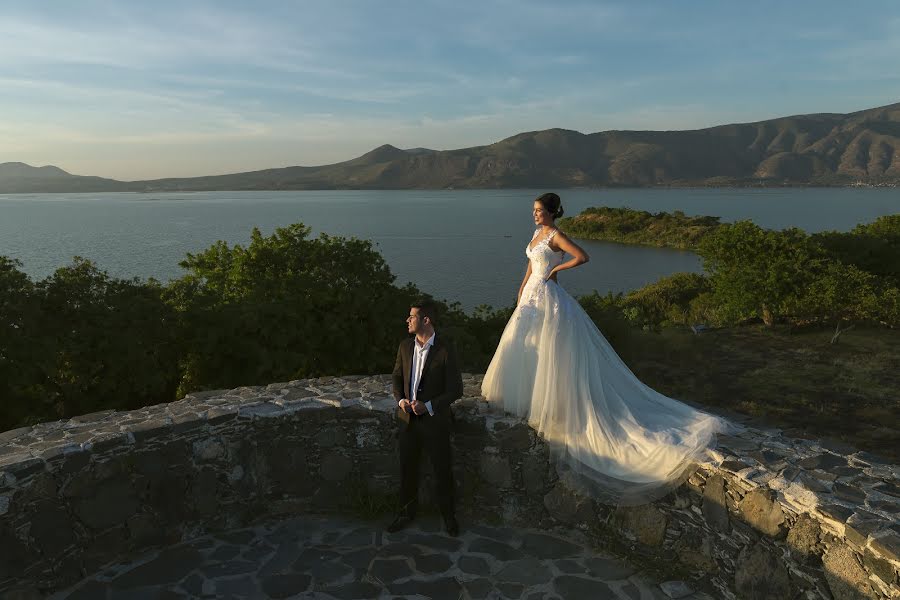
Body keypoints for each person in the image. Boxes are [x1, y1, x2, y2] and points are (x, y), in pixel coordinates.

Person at [481, 192, 729, 505]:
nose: (535, 215)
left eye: (540, 211)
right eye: (533, 210)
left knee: (553, 353)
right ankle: (529, 398)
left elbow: (582, 257)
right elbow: (530, 265)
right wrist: (520, 291)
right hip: (530, 298)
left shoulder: (557, 236)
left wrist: (555, 271)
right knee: (530, 348)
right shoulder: (536, 234)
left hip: (548, 297)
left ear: (552, 213)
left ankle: (556, 406)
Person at [388, 300, 463, 535]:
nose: (407, 320)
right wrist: (402, 402)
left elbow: (456, 389)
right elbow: (397, 378)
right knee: (407, 469)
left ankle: (449, 518)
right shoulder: (404, 346)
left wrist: (428, 405)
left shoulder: (445, 349)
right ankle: (405, 513)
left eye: (412, 316)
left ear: (426, 320)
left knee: (442, 470)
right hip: (407, 420)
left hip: (435, 421)